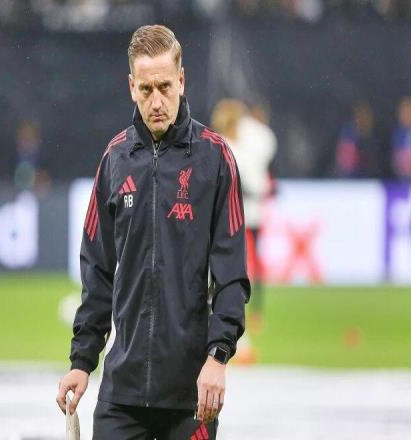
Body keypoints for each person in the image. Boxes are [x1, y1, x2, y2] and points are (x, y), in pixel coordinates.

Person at [56, 25, 250, 439]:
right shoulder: (115, 159)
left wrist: (218, 357)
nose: (156, 101)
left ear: (182, 80)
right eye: (146, 89)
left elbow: (232, 276)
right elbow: (97, 271)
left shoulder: (215, 159)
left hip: (191, 397)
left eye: (165, 87)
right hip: (121, 396)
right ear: (131, 87)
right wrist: (81, 362)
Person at [211, 99, 276, 336]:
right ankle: (244, 310)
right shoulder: (229, 146)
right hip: (238, 214)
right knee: (241, 264)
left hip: (242, 214)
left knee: (242, 264)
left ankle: (243, 310)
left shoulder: (237, 145)